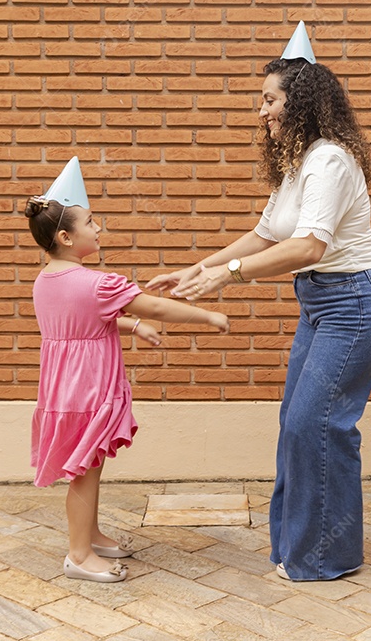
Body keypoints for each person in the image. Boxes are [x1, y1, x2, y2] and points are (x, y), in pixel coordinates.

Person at [147, 22, 371, 582]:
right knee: (298, 422)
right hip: (324, 305)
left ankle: (322, 556)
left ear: (300, 101)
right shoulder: (296, 165)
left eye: (270, 99)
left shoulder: (330, 160)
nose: (261, 111)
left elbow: (309, 245)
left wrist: (228, 277)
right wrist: (200, 267)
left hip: (357, 303)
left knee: (320, 422)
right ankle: (299, 547)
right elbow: (266, 236)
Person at [26, 156, 229, 583]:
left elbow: (84, 321)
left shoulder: (46, 281)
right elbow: (153, 304)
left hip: (62, 390)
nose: (99, 229)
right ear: (66, 236)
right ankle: (79, 556)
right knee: (82, 472)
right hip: (89, 390)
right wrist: (207, 317)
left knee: (89, 466)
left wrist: (133, 326)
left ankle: (91, 535)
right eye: (91, 222)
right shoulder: (98, 283)